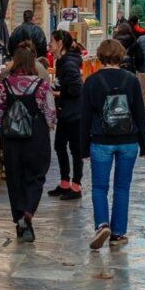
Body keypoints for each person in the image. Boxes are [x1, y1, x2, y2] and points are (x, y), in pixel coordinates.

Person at [80, 39, 145, 249]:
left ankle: (102, 224)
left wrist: (83, 147)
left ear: (100, 56)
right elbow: (140, 114)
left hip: (101, 141)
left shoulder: (91, 81)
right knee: (122, 187)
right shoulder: (131, 80)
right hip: (128, 141)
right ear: (120, 56)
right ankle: (118, 233)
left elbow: (84, 118)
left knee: (99, 187)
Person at [0, 44, 54, 242]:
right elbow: (50, 113)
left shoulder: (5, 84)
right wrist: (48, 125)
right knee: (36, 175)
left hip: (12, 136)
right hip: (36, 135)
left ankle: (19, 215)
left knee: (14, 177)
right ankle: (28, 211)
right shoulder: (42, 85)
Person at [48, 31, 84, 201]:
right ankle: (64, 182)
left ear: (60, 43)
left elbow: (76, 89)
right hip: (66, 112)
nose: (49, 45)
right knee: (59, 146)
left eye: (52, 42)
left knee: (75, 150)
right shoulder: (62, 62)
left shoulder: (68, 64)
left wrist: (57, 93)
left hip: (74, 113)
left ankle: (76, 186)